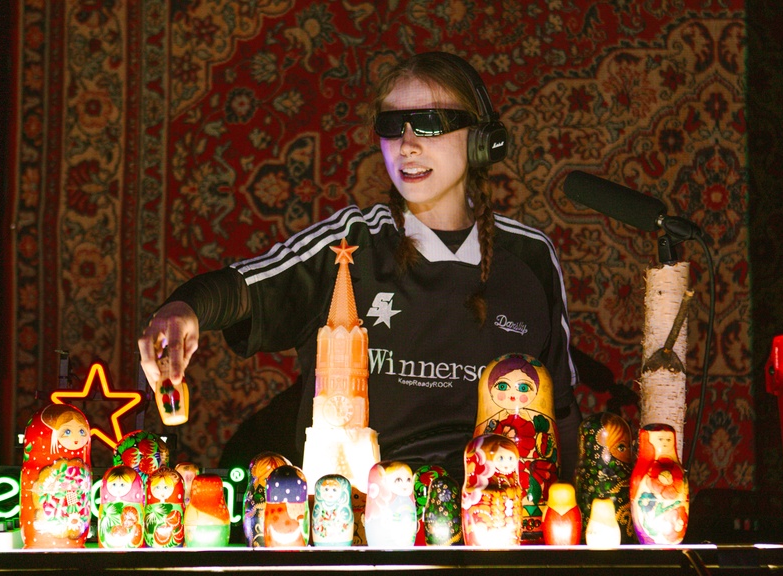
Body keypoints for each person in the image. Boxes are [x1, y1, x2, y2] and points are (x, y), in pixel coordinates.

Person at [138, 51, 581, 483]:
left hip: (493, 506)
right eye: (392, 126)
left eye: (430, 123)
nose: (407, 145)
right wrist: (182, 311)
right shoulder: (350, 241)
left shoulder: (531, 257)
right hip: (362, 512)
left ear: (483, 139)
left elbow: (559, 414)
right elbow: (244, 288)